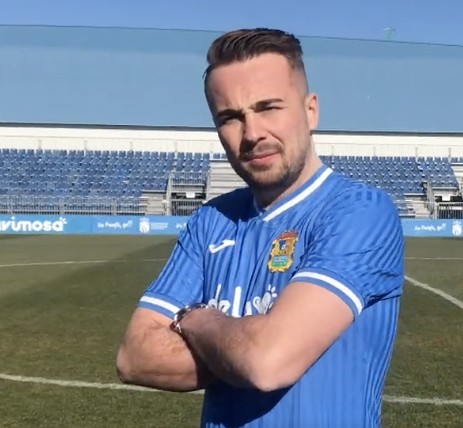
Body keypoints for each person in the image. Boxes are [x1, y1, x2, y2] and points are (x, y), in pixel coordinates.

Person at [116, 27, 405, 428]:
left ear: (310, 110)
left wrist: (197, 320)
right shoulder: (210, 220)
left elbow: (268, 362)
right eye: (231, 117)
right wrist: (246, 345)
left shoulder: (360, 211)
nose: (252, 134)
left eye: (268, 107)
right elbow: (135, 356)